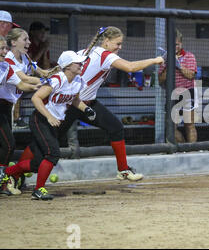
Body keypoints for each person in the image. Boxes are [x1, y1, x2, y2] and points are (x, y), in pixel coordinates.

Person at [47, 26, 164, 181]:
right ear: (107, 41)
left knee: (115, 127)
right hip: (69, 105)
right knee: (48, 139)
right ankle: (15, 172)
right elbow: (130, 67)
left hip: (86, 104)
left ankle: (123, 170)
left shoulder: (87, 51)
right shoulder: (105, 55)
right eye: (118, 43)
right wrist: (155, 60)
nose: (120, 47)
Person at [0, 51, 92, 200]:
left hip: (53, 123)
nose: (81, 64)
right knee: (53, 153)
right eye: (77, 62)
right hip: (41, 120)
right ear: (68, 66)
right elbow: (36, 98)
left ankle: (7, 173)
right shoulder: (57, 80)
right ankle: (38, 190)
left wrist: (86, 109)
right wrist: (49, 116)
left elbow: (74, 99)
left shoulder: (77, 81)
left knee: (37, 164)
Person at [0, 36, 40, 195]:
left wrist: (41, 85)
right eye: (1, 49)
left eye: (5, 48)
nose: (5, 52)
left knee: (7, 145)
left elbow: (22, 84)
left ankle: (3, 182)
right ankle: (3, 179)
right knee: (9, 144)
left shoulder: (5, 66)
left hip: (4, 108)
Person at [158, 29, 198, 143]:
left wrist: (178, 65)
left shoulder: (189, 56)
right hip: (172, 94)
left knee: (189, 124)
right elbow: (160, 80)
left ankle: (192, 151)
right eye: (172, 45)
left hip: (187, 92)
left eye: (177, 44)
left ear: (181, 43)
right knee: (171, 128)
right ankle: (184, 148)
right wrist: (169, 64)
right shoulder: (165, 58)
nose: (175, 46)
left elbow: (191, 75)